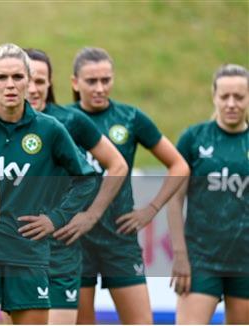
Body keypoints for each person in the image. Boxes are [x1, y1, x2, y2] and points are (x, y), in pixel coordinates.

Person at [0, 43, 97, 325]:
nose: (10, 85)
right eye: (1, 77)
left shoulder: (49, 129)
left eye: (18, 77)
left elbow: (87, 179)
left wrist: (56, 218)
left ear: (28, 79)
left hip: (28, 256)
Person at [65, 47, 190, 324]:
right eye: (91, 81)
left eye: (106, 80)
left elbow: (179, 165)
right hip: (75, 241)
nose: (100, 88)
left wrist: (151, 209)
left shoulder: (130, 118)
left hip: (119, 239)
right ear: (75, 82)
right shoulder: (62, 120)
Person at [22, 48, 128, 324]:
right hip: (17, 252)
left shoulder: (69, 121)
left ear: (51, 83)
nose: (33, 89)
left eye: (40, 81)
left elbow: (117, 165)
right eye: (27, 79)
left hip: (60, 251)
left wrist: (90, 215)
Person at [168, 64, 249, 324]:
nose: (231, 103)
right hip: (200, 261)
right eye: (224, 96)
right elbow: (174, 200)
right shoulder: (193, 139)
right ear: (214, 96)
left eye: (239, 97)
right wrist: (180, 255)